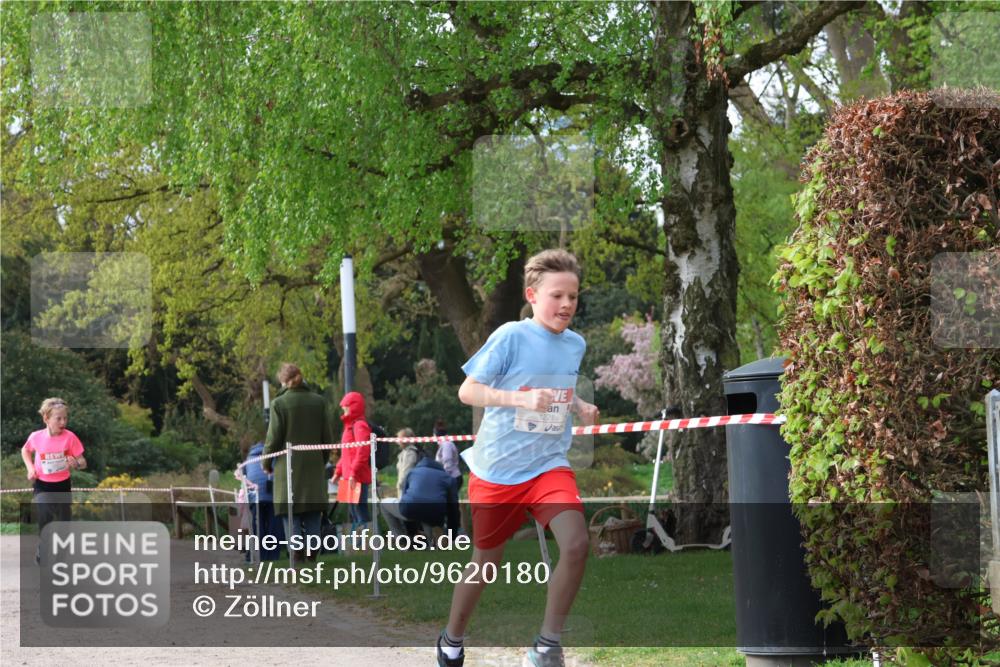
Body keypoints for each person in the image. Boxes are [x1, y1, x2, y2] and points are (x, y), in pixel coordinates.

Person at [437, 249, 600, 667]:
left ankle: (547, 645)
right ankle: (452, 639)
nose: (566, 305)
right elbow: (468, 391)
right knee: (486, 564)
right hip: (498, 470)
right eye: (557, 296)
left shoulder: (575, 344)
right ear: (532, 294)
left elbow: (554, 386)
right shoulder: (511, 335)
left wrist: (578, 404)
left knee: (577, 543)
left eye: (574, 297)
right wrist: (519, 399)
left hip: (548, 465)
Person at [262, 363, 331, 563]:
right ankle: (312, 552)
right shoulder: (319, 402)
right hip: (313, 464)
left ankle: (296, 554)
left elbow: (273, 439)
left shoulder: (279, 404)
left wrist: (266, 462)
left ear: (283, 381)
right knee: (311, 511)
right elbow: (327, 437)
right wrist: (321, 460)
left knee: (290, 512)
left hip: (287, 467)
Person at [21, 397, 86, 564]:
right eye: (58, 418)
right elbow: (25, 451)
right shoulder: (36, 437)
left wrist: (76, 463)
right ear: (46, 419)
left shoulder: (70, 437)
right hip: (42, 485)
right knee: (45, 516)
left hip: (63, 485)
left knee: (64, 524)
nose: (63, 421)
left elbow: (83, 462)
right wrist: (30, 468)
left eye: (65, 418)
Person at [331, 391, 372, 531]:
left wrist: (354, 473)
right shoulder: (348, 427)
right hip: (348, 476)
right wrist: (338, 471)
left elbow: (362, 452)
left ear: (353, 407)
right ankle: (358, 548)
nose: (343, 409)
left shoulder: (359, 425)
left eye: (346, 406)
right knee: (353, 511)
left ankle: (367, 546)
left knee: (359, 511)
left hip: (356, 476)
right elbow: (346, 453)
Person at [244, 441, 286, 561]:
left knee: (258, 526)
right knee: (274, 525)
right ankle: (272, 556)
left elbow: (245, 477)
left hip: (254, 496)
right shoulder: (274, 455)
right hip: (272, 494)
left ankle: (257, 555)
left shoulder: (249, 459)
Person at [433, 420, 462, 494]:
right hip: (450, 478)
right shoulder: (445, 444)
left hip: (452, 478)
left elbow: (447, 462)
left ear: (435, 434)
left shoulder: (446, 444)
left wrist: (442, 478)